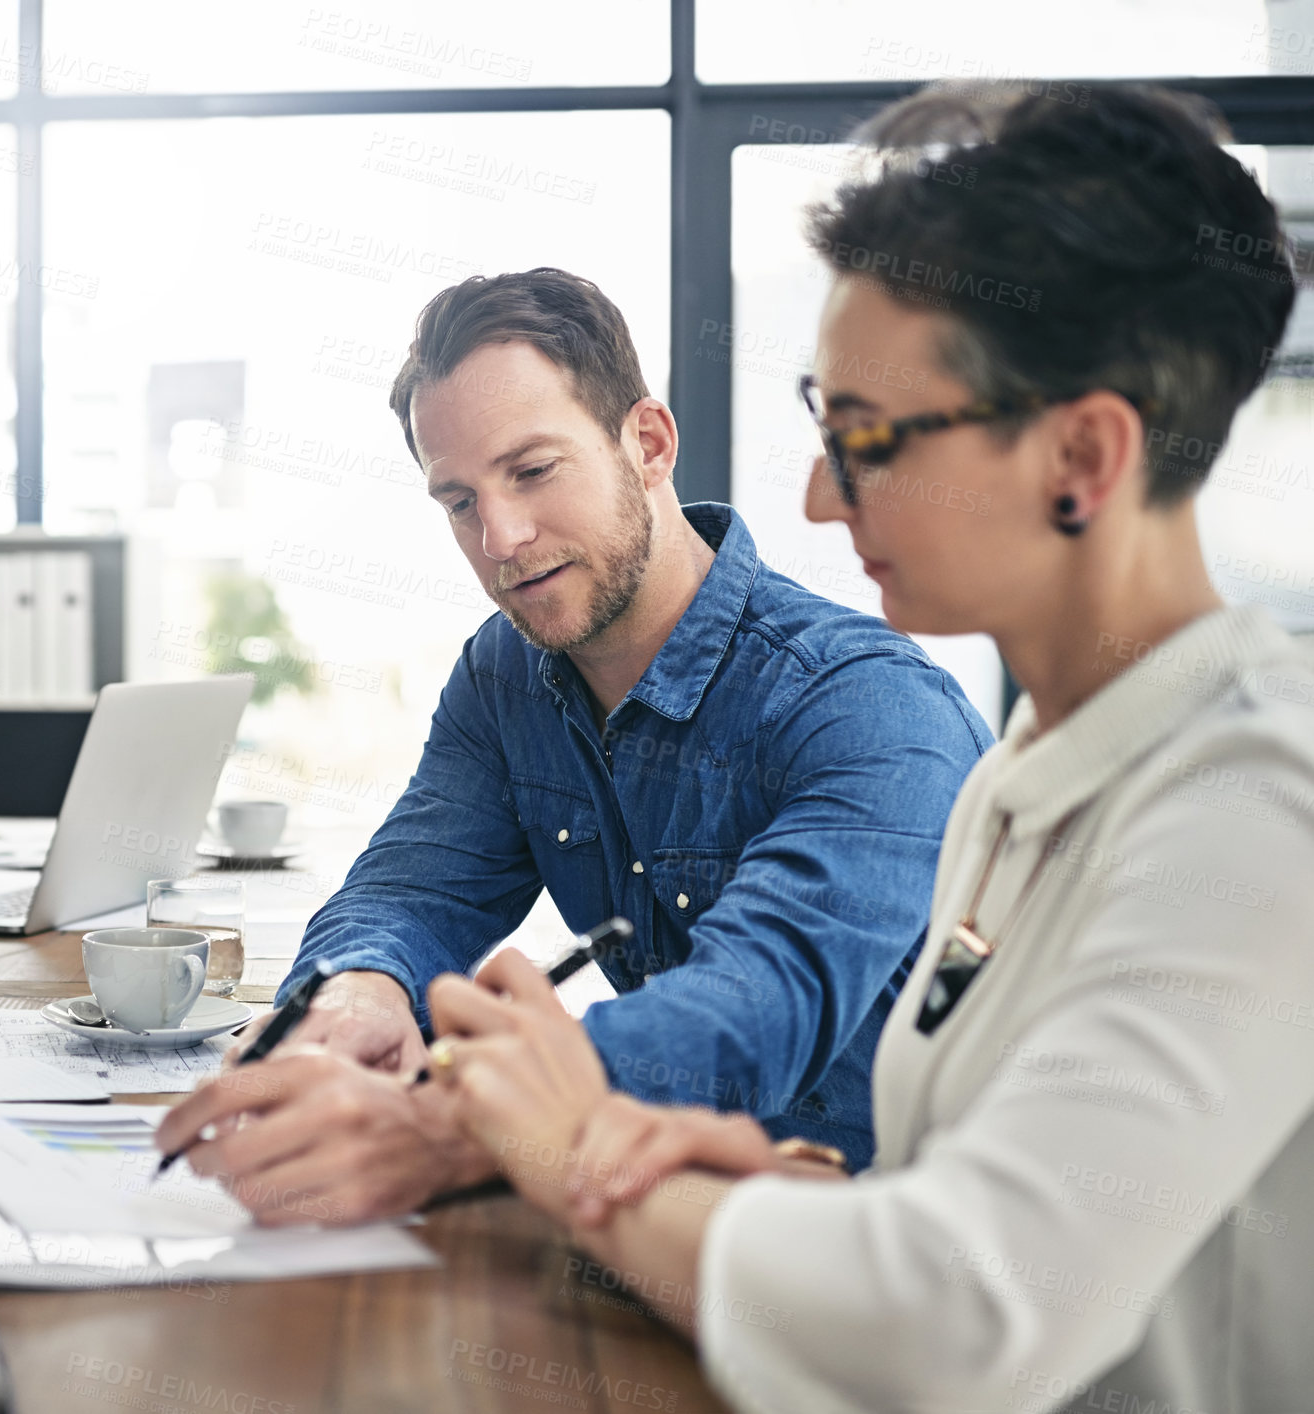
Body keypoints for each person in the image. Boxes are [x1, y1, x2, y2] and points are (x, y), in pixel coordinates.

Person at [421, 82, 1314, 1414]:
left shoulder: (1255, 807)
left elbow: (957, 1313)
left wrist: (578, 1146)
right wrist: (816, 1201)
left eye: (869, 439)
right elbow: (988, 1200)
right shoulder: (1024, 772)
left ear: (1081, 454)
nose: (815, 495)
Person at [157, 268, 991, 1221]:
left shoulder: (868, 708)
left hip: (864, 1252)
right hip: (632, 1210)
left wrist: (460, 1122)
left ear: (648, 443)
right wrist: (359, 997)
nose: (502, 538)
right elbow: (415, 888)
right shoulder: (508, 672)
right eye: (459, 502)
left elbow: (751, 1016)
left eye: (533, 472)